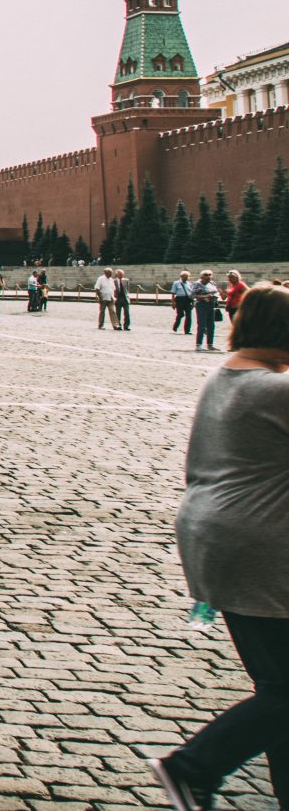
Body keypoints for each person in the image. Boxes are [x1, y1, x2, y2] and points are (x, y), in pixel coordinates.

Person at [151, 282, 289, 811]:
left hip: (216, 540)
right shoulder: (275, 390)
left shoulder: (227, 375)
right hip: (260, 546)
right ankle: (192, 767)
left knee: (276, 685)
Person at [196, 271, 223, 352]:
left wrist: (217, 295)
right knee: (202, 325)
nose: (208, 276)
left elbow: (216, 292)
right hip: (201, 305)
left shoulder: (212, 283)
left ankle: (210, 345)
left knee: (211, 325)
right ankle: (198, 345)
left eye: (209, 275)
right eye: (205, 275)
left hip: (211, 305)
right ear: (201, 277)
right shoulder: (198, 284)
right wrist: (205, 296)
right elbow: (193, 295)